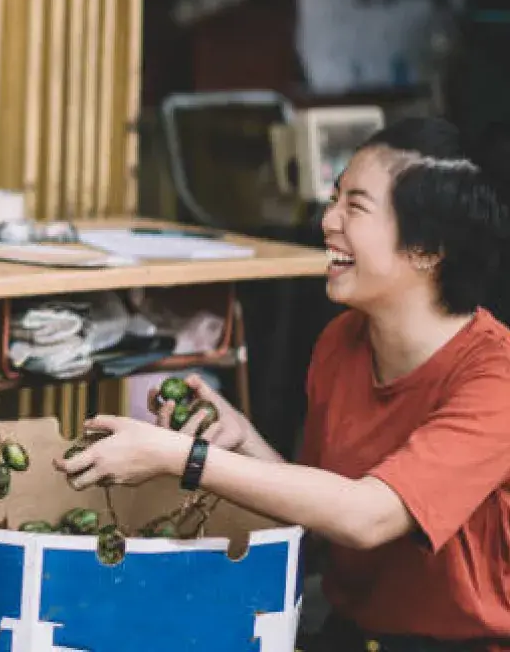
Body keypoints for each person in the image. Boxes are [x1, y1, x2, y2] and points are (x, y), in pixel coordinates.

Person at [57, 116, 510, 651]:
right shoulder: (342, 342)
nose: (327, 220)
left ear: (428, 248)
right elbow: (323, 511)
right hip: (352, 635)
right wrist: (243, 439)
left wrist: (183, 458)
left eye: (355, 207)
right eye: (334, 197)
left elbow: (368, 516)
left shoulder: (494, 379)